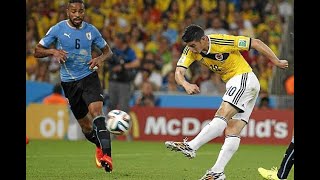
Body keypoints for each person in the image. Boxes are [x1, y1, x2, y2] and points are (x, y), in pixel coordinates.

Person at [164, 24, 288, 180]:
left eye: (193, 45)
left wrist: (275, 61)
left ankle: (191, 146)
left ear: (203, 39)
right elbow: (178, 72)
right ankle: (217, 172)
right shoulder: (191, 50)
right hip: (242, 85)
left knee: (222, 114)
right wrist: (186, 84)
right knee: (232, 130)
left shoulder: (221, 41)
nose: (191, 49)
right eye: (189, 46)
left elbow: (255, 43)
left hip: (243, 79)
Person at [34, 0, 114, 173]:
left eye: (80, 11)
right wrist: (53, 51)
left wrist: (99, 59)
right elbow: (37, 50)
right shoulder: (57, 29)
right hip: (69, 82)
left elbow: (108, 51)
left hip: (89, 76)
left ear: (84, 12)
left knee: (97, 112)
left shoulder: (91, 30)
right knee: (86, 127)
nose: (77, 15)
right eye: (74, 11)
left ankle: (107, 156)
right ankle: (99, 146)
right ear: (67, 12)